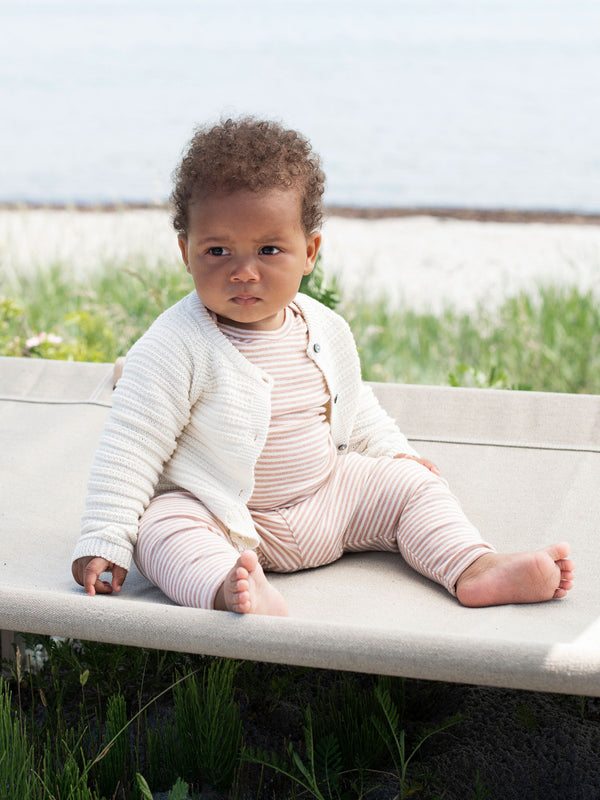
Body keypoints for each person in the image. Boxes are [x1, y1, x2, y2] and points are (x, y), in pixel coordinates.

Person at [71, 117, 574, 616]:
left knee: (414, 485)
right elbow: (130, 446)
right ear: (186, 252)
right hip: (227, 518)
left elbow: (357, 410)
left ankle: (474, 567)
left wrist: (395, 455)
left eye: (269, 250)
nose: (243, 271)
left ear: (309, 252)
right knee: (162, 528)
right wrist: (105, 537)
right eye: (217, 250)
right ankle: (231, 587)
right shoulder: (174, 344)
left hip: (329, 501)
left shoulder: (324, 328)